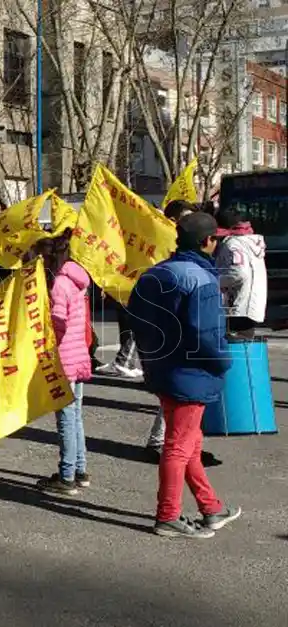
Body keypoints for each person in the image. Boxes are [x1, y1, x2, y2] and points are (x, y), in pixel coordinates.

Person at [128, 212, 241, 538]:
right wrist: (222, 362)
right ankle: (168, 516)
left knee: (189, 443)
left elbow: (135, 317)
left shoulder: (154, 273)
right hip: (190, 373)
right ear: (208, 242)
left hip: (163, 369)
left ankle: (211, 508)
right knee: (179, 446)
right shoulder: (201, 279)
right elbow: (205, 332)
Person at [32, 232, 95, 496]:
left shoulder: (59, 284)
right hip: (78, 354)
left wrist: (45, 345)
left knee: (66, 419)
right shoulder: (76, 280)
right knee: (76, 416)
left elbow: (59, 322)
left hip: (65, 359)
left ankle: (67, 475)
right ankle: (80, 470)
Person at [136, 200, 201, 457]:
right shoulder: (159, 246)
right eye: (182, 219)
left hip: (178, 327)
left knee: (180, 396)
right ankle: (162, 443)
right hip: (167, 330)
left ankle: (180, 445)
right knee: (174, 392)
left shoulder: (184, 250)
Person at [214, 210, 267, 339]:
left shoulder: (233, 244)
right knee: (245, 342)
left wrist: (215, 281)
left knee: (236, 346)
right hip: (250, 303)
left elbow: (239, 273)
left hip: (238, 305)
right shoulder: (249, 242)